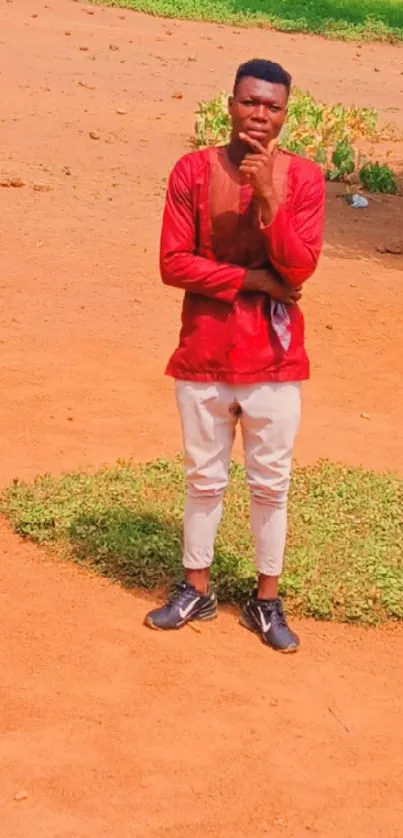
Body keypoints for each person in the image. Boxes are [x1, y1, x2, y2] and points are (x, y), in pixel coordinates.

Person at [145, 58, 325, 652]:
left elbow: (299, 268)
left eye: (272, 106)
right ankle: (195, 587)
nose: (259, 115)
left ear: (285, 114)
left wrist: (268, 196)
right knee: (204, 477)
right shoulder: (192, 170)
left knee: (271, 484)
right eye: (250, 102)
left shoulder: (302, 179)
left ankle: (266, 600)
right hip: (204, 351)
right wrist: (255, 280)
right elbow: (173, 263)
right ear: (229, 104)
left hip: (274, 359)